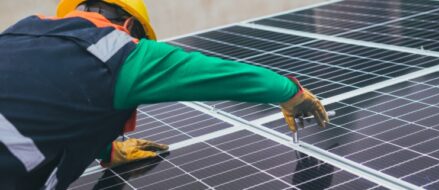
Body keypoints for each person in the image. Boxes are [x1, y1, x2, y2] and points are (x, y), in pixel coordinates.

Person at [0, 0, 329, 189]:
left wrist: (108, 151)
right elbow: (217, 73)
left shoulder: (23, 30)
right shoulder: (120, 51)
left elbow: (55, 100)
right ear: (130, 26)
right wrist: (291, 93)